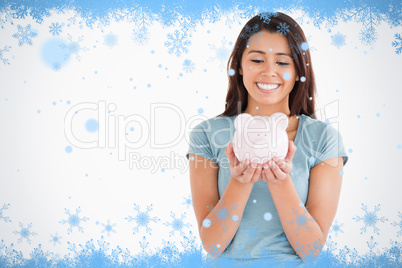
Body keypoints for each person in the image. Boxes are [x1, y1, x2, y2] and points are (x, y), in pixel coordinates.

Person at [186, 12, 348, 266]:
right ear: (239, 66)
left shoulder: (323, 139)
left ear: (298, 72)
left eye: (283, 63)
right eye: (257, 59)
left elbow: (312, 249)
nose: (269, 71)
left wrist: (280, 182)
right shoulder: (207, 135)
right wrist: (239, 182)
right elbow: (212, 243)